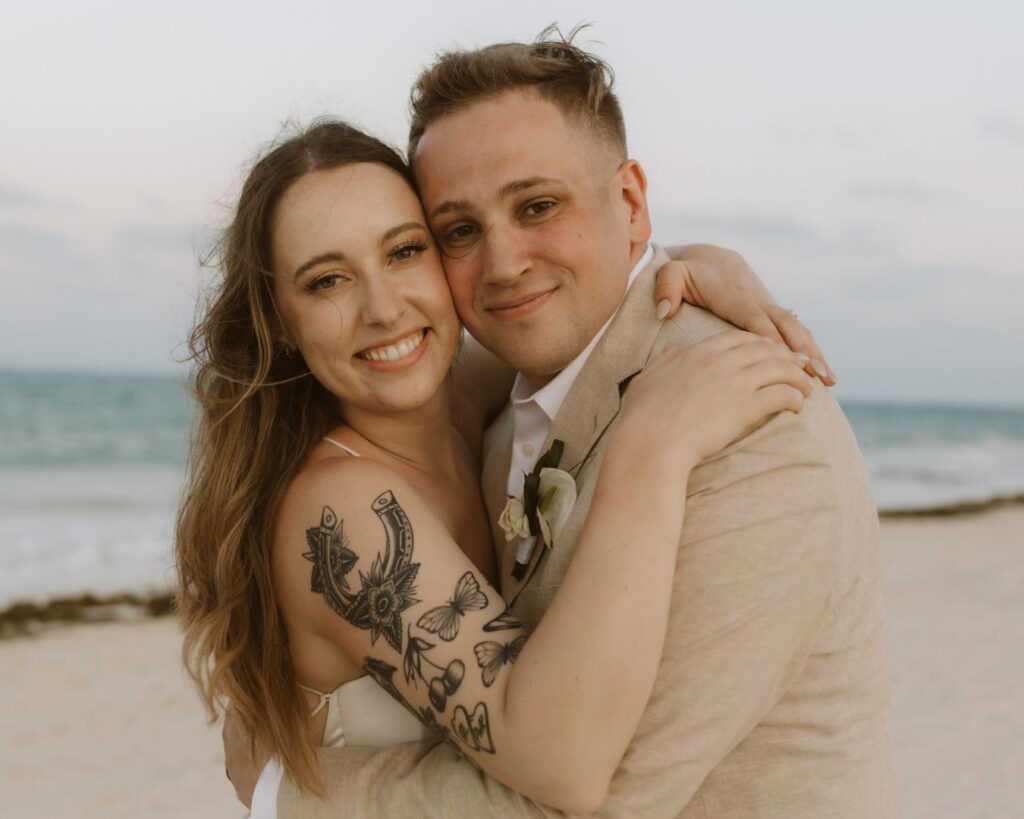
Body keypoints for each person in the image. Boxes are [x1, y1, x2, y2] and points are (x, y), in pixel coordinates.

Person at [230, 31, 901, 819]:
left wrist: (291, 799)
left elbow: (605, 798)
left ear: (629, 203)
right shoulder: (483, 392)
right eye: (458, 231)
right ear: (279, 320)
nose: (505, 262)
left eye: (538, 206)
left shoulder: (752, 443)